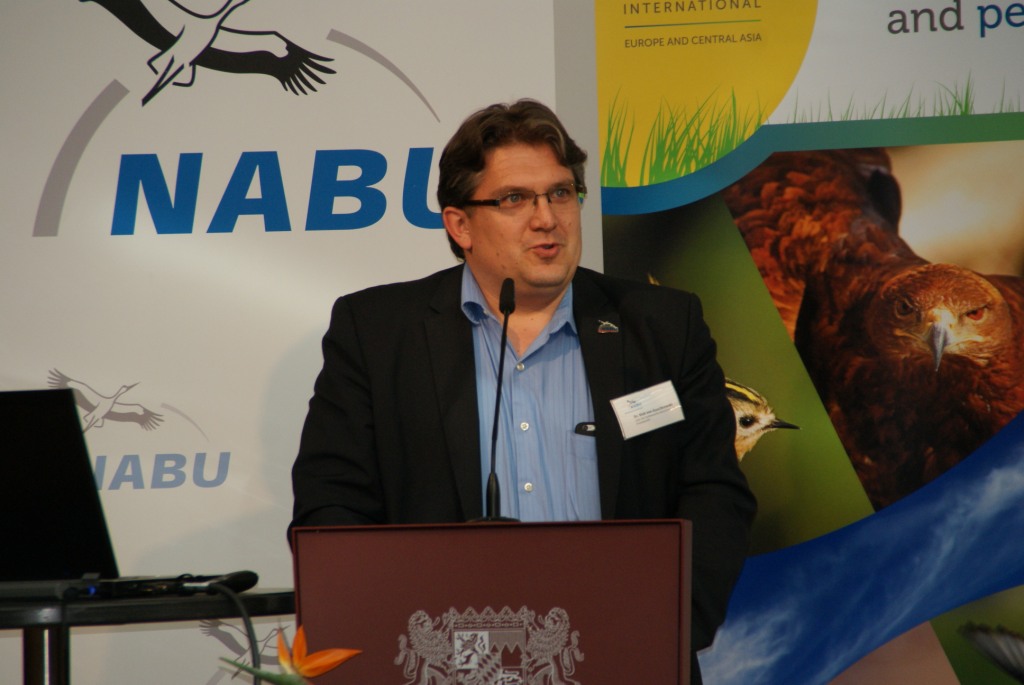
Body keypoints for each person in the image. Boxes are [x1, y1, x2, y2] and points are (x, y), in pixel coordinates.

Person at [291, 99, 755, 683]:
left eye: (560, 193)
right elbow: (331, 509)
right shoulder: (377, 333)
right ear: (459, 225)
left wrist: (663, 626)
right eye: (515, 199)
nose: (547, 219)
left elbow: (715, 493)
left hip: (629, 654)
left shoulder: (662, 325)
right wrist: (405, 644)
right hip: (443, 665)